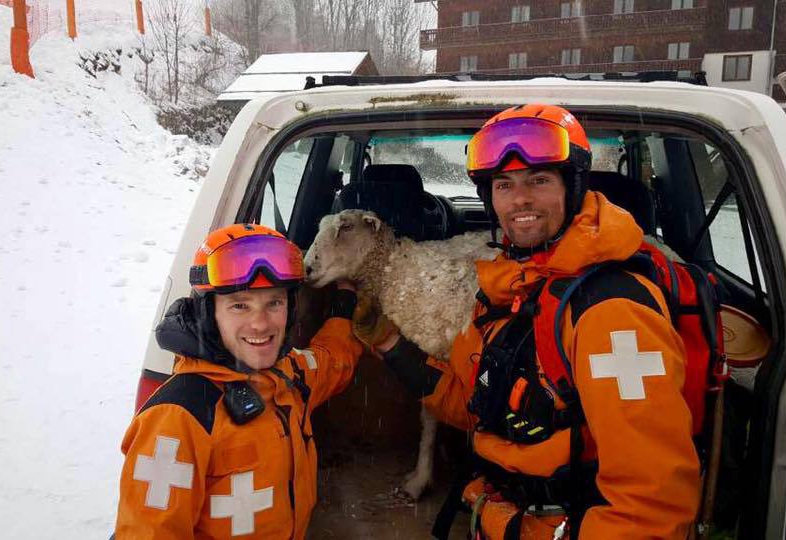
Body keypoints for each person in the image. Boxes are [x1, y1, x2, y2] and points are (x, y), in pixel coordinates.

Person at [357, 104, 701, 539]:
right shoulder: (509, 287)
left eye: (538, 180)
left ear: (572, 187)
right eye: (505, 185)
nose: (520, 199)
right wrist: (391, 345)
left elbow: (651, 510)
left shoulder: (614, 313)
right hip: (503, 509)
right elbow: (477, 404)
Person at [115, 224, 362, 539]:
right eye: (240, 305)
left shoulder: (290, 375)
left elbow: (333, 360)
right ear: (210, 314)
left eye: (274, 303)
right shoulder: (179, 418)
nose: (260, 324)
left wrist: (345, 308)